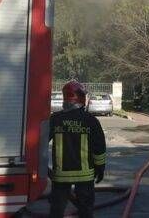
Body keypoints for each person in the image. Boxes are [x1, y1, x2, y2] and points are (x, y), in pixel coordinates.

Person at [49, 81, 107, 218]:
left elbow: (39, 143)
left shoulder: (55, 120)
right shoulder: (91, 120)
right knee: (85, 211)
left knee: (56, 211)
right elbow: (99, 148)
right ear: (80, 97)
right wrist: (100, 169)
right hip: (85, 176)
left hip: (60, 176)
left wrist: (42, 169)